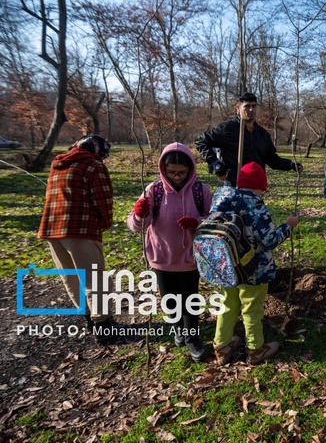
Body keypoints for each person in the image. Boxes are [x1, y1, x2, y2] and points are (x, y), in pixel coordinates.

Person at [126, 142, 212, 362]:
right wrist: (139, 214)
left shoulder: (200, 191)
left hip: (190, 258)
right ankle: (176, 328)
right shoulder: (153, 190)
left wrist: (197, 222)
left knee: (190, 300)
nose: (177, 177)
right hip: (161, 257)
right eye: (172, 172)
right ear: (163, 168)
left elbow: (213, 220)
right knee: (169, 300)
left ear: (191, 169)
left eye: (182, 172)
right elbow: (136, 225)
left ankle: (192, 338)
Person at [209, 162, 299, 365]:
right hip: (254, 270)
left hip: (226, 267)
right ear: (261, 186)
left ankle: (221, 347)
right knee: (252, 309)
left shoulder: (220, 202)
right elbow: (270, 241)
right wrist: (288, 226)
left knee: (226, 305)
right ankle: (255, 349)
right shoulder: (257, 208)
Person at [37, 135, 121, 343]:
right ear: (97, 151)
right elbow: (103, 199)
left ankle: (90, 320)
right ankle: (104, 327)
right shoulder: (93, 165)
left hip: (52, 231)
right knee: (95, 279)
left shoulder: (57, 164)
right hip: (80, 229)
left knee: (71, 278)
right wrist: (105, 223)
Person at [195, 92, 303, 187]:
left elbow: (272, 159)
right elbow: (201, 141)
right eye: (246, 106)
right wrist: (215, 162)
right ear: (238, 108)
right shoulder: (227, 129)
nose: (251, 109)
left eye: (253, 106)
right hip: (234, 185)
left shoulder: (262, 134)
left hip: (255, 186)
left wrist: (291, 165)